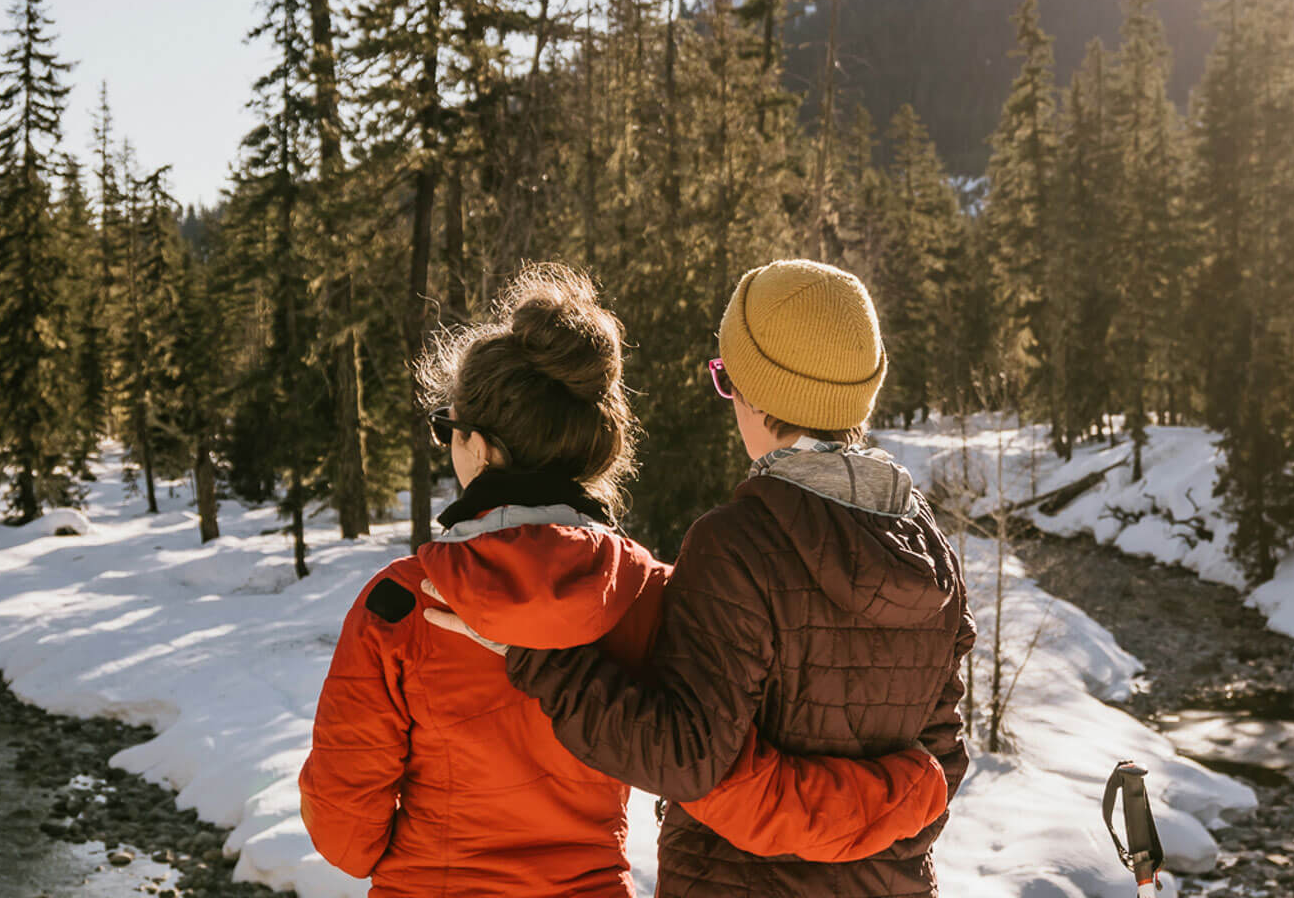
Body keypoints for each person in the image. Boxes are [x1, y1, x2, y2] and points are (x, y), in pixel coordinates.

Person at [298, 263, 947, 897]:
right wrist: (910, 791)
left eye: (449, 429)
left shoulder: (401, 604)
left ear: (483, 447)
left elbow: (345, 838)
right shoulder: (647, 590)